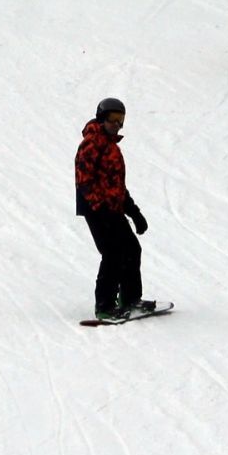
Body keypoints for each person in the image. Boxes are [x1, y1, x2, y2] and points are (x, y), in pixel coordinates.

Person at [75, 97, 156, 320]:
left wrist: (134, 212)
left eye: (121, 119)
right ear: (102, 118)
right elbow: (85, 181)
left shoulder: (110, 146)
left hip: (113, 209)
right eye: (113, 118)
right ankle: (105, 306)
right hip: (98, 211)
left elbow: (117, 187)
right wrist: (99, 208)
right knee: (113, 255)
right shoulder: (92, 144)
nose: (117, 124)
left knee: (131, 249)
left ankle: (130, 299)